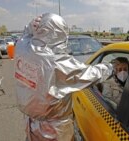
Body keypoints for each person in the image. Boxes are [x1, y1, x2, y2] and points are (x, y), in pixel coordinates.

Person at [14, 13, 112, 141]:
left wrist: (30, 27)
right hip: (54, 130)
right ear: (60, 35)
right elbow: (91, 74)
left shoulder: (22, 47)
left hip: (31, 124)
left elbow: (25, 34)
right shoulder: (57, 62)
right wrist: (111, 67)